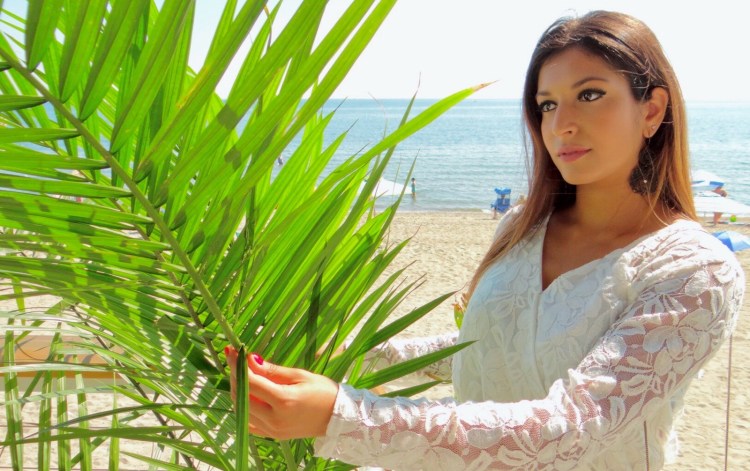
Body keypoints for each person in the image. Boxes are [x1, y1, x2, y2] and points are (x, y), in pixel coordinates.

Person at [226, 11, 745, 470]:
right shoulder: (521, 227)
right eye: (546, 105)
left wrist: (342, 416)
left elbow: (571, 428)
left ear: (651, 109)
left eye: (590, 95)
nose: (561, 125)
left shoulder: (693, 270)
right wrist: (354, 355)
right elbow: (487, 347)